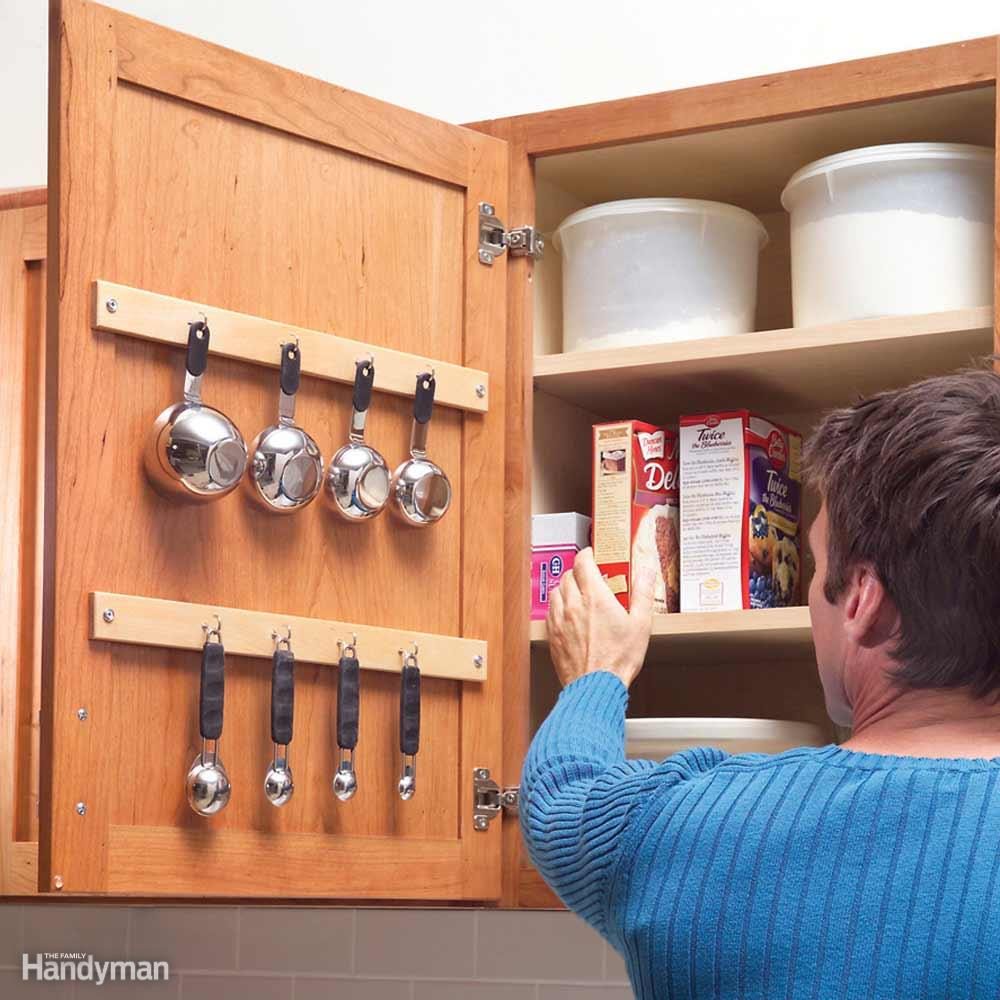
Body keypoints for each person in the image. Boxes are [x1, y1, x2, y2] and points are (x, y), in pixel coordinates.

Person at [521, 368, 1000, 999]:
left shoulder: (688, 828)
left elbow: (562, 800)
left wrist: (597, 675)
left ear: (862, 601)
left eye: (817, 563)